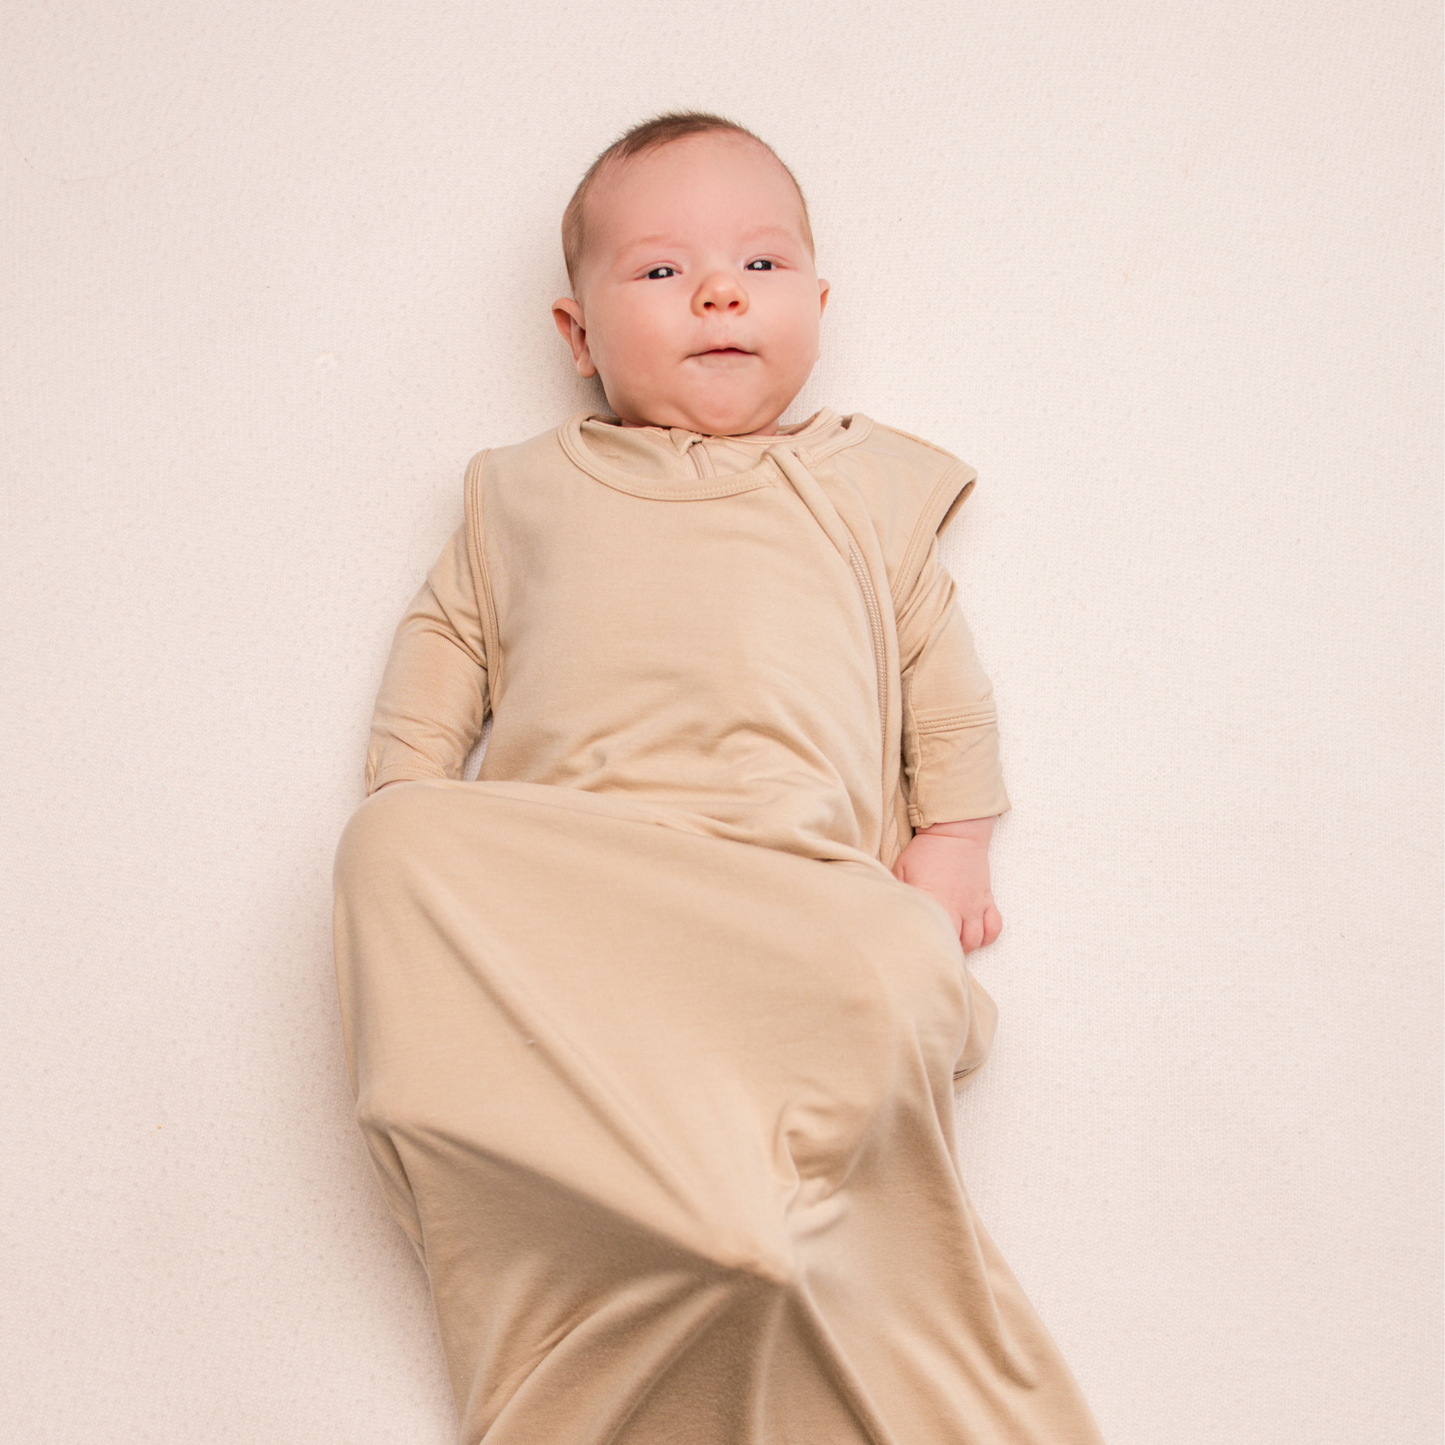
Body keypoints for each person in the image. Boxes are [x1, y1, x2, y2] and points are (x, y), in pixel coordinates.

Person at [333, 111, 1105, 1444]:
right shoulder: (522, 492)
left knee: (894, 954)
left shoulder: (865, 486)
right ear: (577, 334)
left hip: (787, 890)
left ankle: (741, 1192)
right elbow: (445, 641)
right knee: (386, 851)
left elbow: (943, 676)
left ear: (818, 303)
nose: (717, 294)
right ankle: (659, 1190)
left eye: (760, 264)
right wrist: (409, 783)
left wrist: (955, 841)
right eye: (659, 270)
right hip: (584, 893)